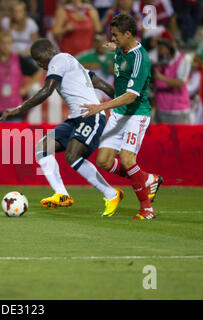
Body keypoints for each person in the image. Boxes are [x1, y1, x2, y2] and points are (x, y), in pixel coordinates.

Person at [0, 38, 123, 217]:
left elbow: (46, 91)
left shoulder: (58, 60)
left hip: (91, 116)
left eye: (39, 58)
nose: (38, 63)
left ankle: (111, 194)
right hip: (75, 118)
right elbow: (100, 84)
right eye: (35, 60)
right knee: (42, 147)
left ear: (49, 51)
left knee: (72, 156)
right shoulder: (71, 62)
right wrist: (121, 99)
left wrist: (18, 109)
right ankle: (62, 194)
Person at [81, 13, 162, 220]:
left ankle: (147, 208)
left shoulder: (139, 58)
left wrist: (101, 107)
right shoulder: (122, 47)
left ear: (128, 34)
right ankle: (147, 179)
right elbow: (117, 47)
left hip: (136, 114)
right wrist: (113, 46)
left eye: (116, 35)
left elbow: (129, 96)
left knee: (127, 159)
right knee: (104, 161)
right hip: (118, 115)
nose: (113, 38)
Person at [153, 39, 192, 124]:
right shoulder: (160, 60)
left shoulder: (183, 60)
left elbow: (180, 83)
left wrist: (160, 77)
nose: (160, 51)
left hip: (178, 111)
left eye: (162, 48)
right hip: (161, 109)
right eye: (159, 49)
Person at [76, 33, 115, 101]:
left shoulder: (113, 55)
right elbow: (74, 63)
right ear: (94, 43)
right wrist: (89, 66)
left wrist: (115, 69)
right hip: (95, 89)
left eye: (103, 41)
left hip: (112, 87)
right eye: (97, 42)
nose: (100, 44)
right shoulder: (87, 56)